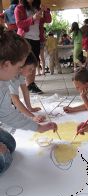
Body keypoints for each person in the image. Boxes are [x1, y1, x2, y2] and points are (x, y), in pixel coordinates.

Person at [0, 27, 57, 175]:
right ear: (6, 65)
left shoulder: (3, 81)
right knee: (4, 160)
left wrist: (38, 127)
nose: (20, 71)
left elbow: (7, 114)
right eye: (19, 67)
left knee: (10, 144)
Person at [15, 0, 52, 94]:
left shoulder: (37, 8)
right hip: (25, 38)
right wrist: (33, 18)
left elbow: (48, 20)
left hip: (36, 39)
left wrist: (46, 10)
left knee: (34, 63)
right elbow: (19, 24)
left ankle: (31, 85)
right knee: (25, 63)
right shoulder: (19, 8)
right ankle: (24, 85)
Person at [9, 52, 45, 123]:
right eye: (30, 69)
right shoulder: (11, 76)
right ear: (21, 65)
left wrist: (30, 108)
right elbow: (15, 100)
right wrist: (32, 117)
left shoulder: (20, 74)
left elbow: (25, 91)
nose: (31, 72)